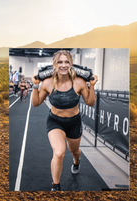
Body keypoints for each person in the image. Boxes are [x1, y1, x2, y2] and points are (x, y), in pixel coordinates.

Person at [31, 50, 98, 191]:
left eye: (66, 62)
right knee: (59, 152)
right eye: (60, 62)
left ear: (71, 64)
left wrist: (91, 86)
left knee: (74, 151)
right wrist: (36, 85)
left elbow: (91, 102)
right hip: (55, 121)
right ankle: (56, 186)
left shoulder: (79, 82)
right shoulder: (47, 83)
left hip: (74, 122)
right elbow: (35, 103)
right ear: (54, 64)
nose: (63, 65)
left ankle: (76, 162)